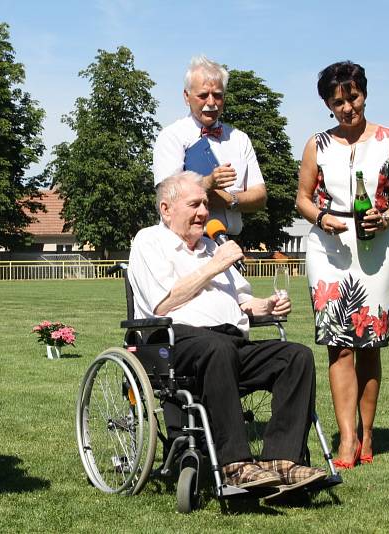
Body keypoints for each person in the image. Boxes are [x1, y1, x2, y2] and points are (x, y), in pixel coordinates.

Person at [128, 171, 326, 494]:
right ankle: (235, 464)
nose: (204, 212)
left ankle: (282, 461)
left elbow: (242, 301)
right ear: (166, 209)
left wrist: (267, 306)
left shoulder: (211, 246)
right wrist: (215, 265)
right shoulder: (149, 242)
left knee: (296, 357)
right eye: (195, 204)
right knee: (216, 348)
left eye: (206, 204)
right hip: (174, 345)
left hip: (229, 343)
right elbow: (162, 303)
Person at [295, 61, 389, 469]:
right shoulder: (317, 144)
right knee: (338, 345)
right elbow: (303, 198)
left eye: (353, 97)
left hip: (376, 248)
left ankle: (367, 433)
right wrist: (318, 217)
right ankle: (346, 439)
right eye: (337, 101)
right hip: (328, 250)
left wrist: (386, 218)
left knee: (369, 345)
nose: (347, 107)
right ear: (328, 104)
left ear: (364, 93)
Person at [153, 55, 267, 236]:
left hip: (229, 243)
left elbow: (260, 196)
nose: (211, 103)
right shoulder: (172, 136)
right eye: (203, 95)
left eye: (218, 95)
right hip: (185, 245)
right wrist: (207, 183)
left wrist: (231, 200)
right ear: (186, 96)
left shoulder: (240, 139)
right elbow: (167, 196)